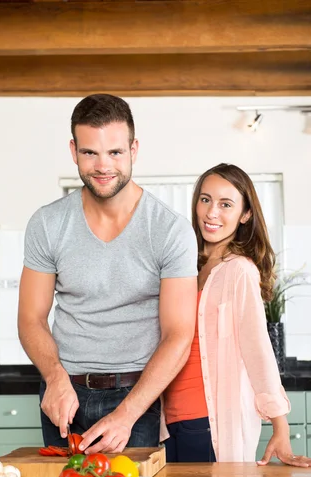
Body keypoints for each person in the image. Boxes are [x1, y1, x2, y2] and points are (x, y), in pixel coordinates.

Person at [18, 94, 198, 455]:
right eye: (90, 153)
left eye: (115, 152)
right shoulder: (47, 223)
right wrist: (54, 378)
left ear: (134, 149)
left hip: (136, 396)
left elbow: (179, 335)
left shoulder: (170, 230)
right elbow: (30, 318)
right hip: (62, 392)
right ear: (73, 150)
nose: (103, 166)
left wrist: (129, 413)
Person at [164, 163, 311, 467]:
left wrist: (280, 425)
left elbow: (257, 349)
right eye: (205, 199)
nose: (211, 213)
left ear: (245, 214)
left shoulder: (239, 271)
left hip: (207, 421)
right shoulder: (184, 266)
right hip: (167, 422)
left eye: (226, 204)